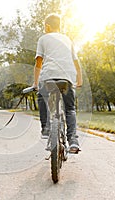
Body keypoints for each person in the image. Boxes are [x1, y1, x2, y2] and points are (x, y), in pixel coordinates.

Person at [32, 14, 83, 153]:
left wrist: (36, 84)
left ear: (47, 26)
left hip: (48, 77)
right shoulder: (67, 40)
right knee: (70, 109)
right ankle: (73, 140)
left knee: (42, 96)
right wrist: (79, 80)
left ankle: (46, 129)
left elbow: (38, 62)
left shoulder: (43, 38)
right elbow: (76, 63)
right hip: (67, 78)